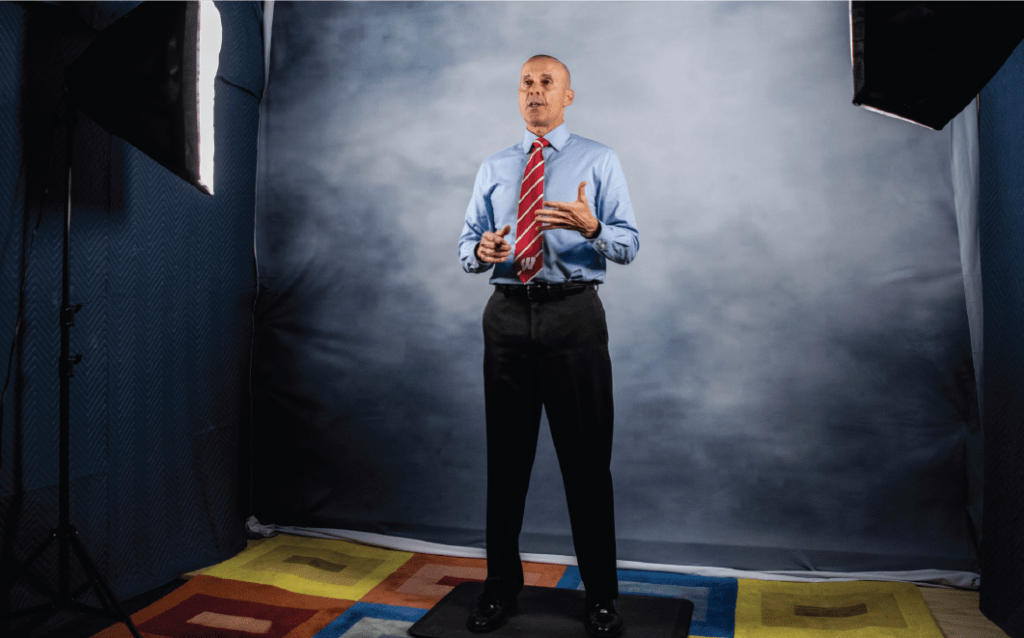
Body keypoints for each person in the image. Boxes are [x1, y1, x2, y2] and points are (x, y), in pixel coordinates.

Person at [457, 55, 639, 637]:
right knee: (506, 461)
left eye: (547, 84)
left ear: (568, 96)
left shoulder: (598, 160)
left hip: (573, 317)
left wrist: (591, 229)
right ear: (519, 97)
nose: (535, 93)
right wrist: (480, 252)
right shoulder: (495, 165)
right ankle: (500, 589)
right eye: (527, 84)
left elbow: (630, 244)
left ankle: (602, 597)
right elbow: (466, 243)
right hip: (507, 316)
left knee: (586, 463)